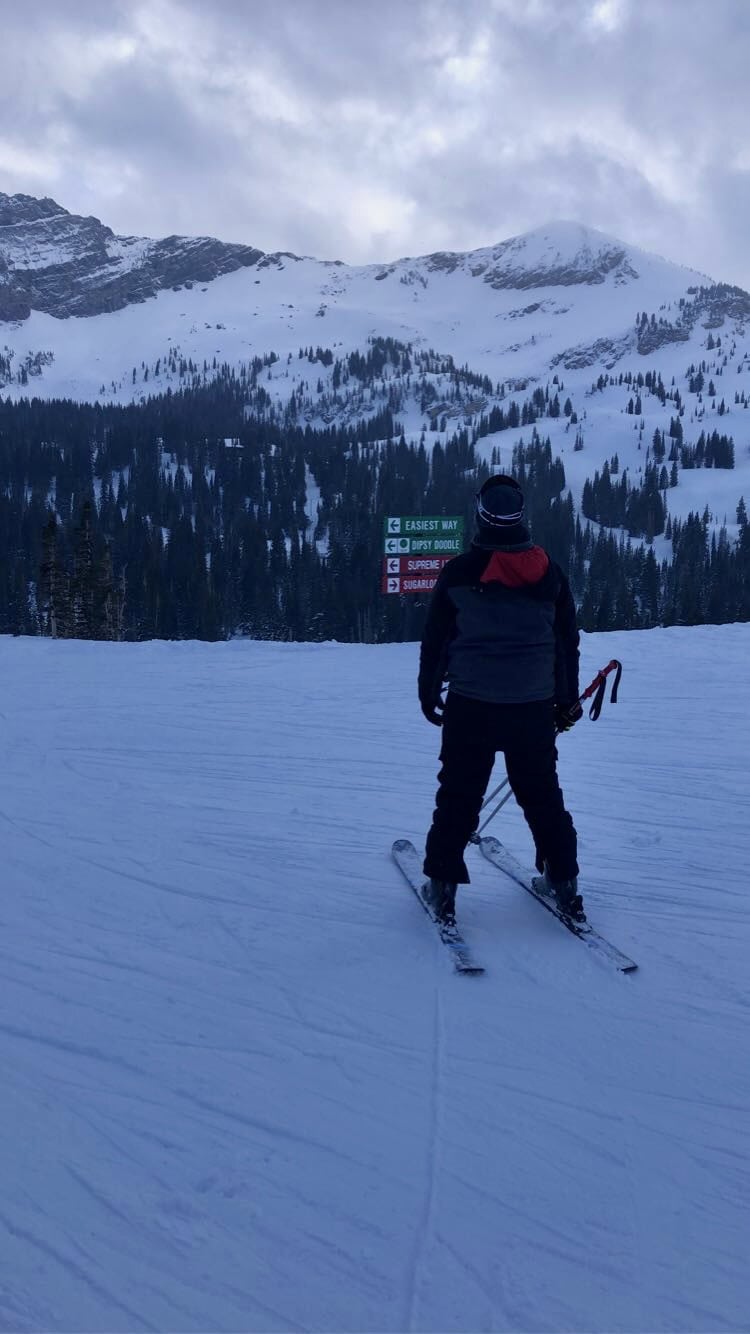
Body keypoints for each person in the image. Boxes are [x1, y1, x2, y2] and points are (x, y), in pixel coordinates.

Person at [418, 474, 584, 926]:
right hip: (531, 707)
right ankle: (564, 884)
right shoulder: (549, 574)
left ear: (482, 516)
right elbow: (565, 642)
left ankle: (442, 888)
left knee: (458, 795)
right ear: (520, 517)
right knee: (543, 795)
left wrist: (428, 694)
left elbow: (437, 641)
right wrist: (566, 700)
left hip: (471, 704)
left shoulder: (457, 574)